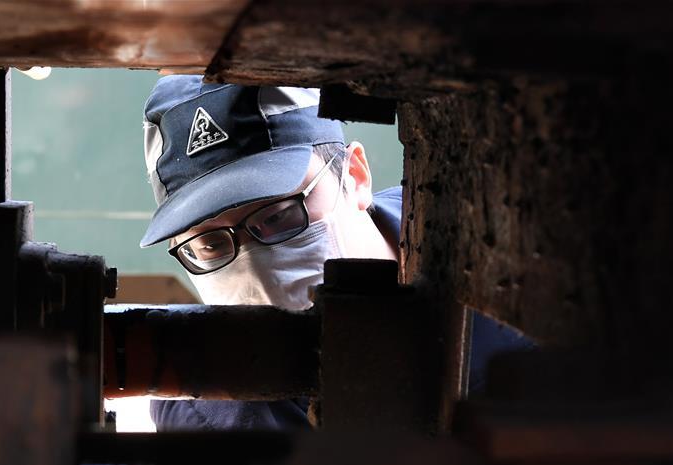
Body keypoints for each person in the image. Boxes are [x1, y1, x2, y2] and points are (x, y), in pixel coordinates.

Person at [139, 75, 530, 431]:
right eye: (209, 244)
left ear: (356, 176)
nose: (256, 269)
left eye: (279, 215)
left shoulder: (510, 275)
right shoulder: (207, 413)